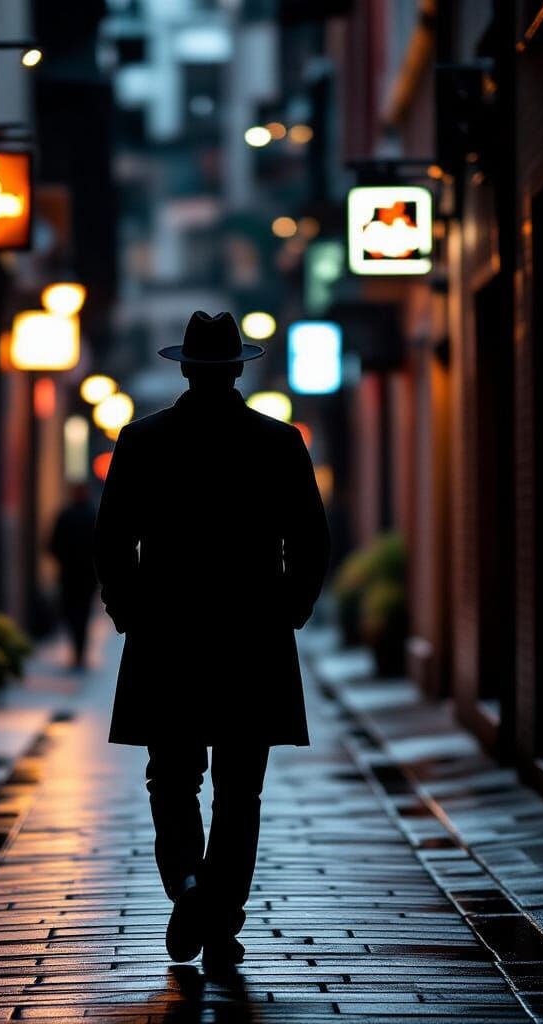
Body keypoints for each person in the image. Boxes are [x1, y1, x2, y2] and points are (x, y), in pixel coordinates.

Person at [94, 310, 330, 972]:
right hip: (252, 634)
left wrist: (128, 611)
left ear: (186, 369)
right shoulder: (279, 441)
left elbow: (112, 541)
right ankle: (221, 915)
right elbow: (310, 541)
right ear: (236, 370)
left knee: (170, 777)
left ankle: (190, 890)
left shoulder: (142, 441)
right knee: (239, 785)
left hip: (167, 633)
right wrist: (291, 609)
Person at [49, 483, 98, 670]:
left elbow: (53, 545)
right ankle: (80, 650)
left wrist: (64, 558)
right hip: (87, 575)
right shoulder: (93, 516)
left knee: (70, 611)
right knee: (83, 613)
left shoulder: (66, 515)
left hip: (69, 574)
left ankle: (77, 649)